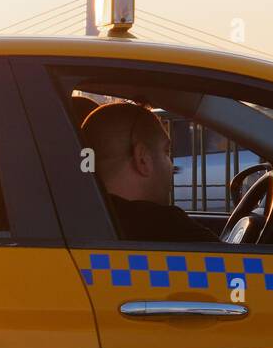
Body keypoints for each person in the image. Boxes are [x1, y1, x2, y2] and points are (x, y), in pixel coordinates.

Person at [79, 100, 219, 243]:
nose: (172, 167)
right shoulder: (168, 227)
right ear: (142, 159)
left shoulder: (76, 219)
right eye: (166, 151)